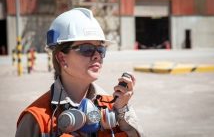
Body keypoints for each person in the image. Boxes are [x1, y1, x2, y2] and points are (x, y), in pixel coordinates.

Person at [16, 8, 144, 137]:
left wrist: (122, 112)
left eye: (100, 49)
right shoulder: (36, 118)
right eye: (87, 49)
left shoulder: (114, 107)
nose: (97, 56)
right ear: (62, 58)